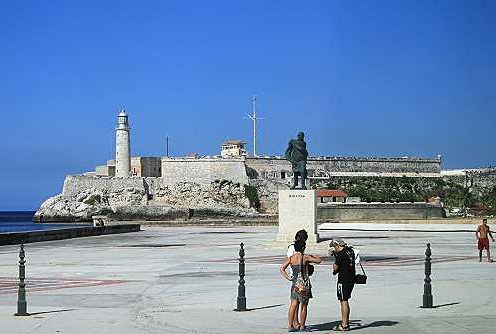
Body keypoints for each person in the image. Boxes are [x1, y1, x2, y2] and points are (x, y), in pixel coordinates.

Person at [280, 239, 321, 332]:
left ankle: (290, 325)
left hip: (295, 284)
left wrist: (288, 277)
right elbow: (319, 261)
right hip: (304, 285)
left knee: (293, 304)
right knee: (304, 306)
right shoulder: (305, 257)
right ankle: (302, 326)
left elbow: (282, 268)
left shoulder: (291, 258)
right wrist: (314, 256)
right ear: (303, 248)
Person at [329, 239, 355, 331]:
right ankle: (345, 322)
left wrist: (336, 258)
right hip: (351, 279)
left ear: (337, 245)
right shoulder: (350, 251)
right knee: (346, 300)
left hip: (343, 280)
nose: (334, 249)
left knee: (343, 301)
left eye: (334, 247)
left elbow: (335, 267)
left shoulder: (341, 254)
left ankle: (344, 325)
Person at [286, 230, 309, 329]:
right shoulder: (293, 248)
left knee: (296, 302)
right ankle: (295, 322)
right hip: (297, 276)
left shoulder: (294, 247)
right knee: (297, 303)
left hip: (296, 276)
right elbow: (291, 259)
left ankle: (294, 323)